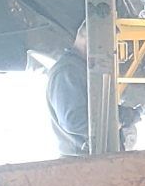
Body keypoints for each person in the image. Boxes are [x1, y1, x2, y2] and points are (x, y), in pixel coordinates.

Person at [45, 22, 140, 156]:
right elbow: (74, 120)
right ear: (90, 41)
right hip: (80, 165)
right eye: (110, 45)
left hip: (91, 163)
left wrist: (119, 114)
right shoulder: (68, 71)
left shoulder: (82, 69)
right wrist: (118, 118)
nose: (112, 51)